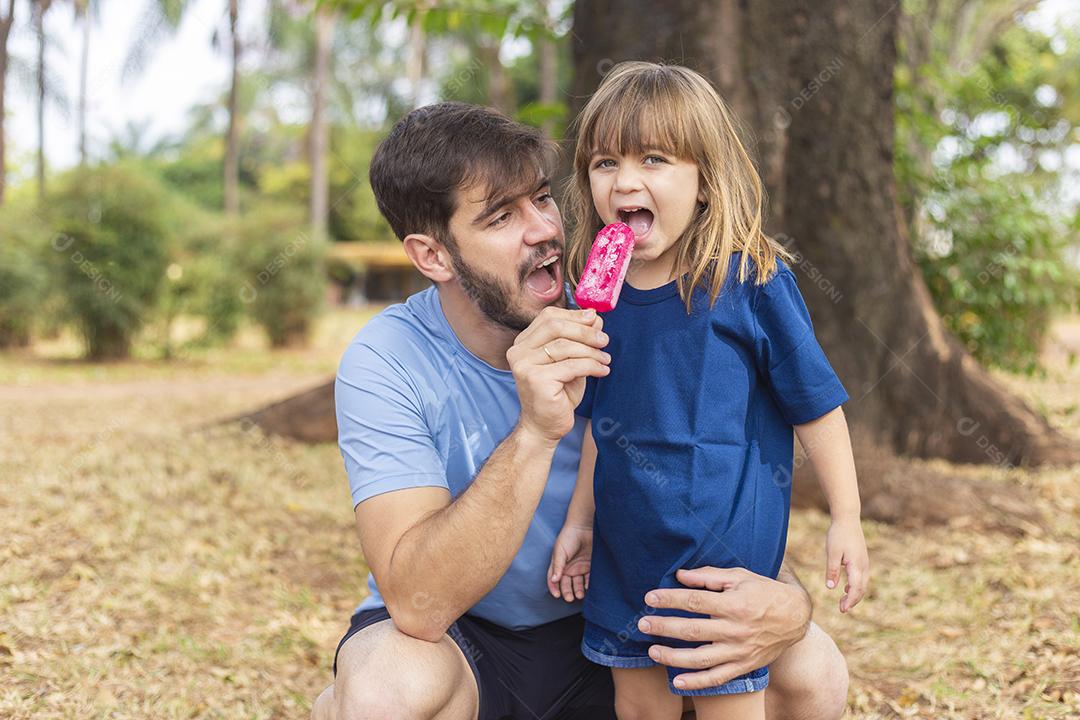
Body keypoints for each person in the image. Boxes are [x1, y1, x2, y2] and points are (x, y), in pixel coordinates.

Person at [310, 101, 850, 720]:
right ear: (433, 256)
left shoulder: (629, 310)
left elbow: (717, 488)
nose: (543, 230)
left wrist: (790, 603)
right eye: (500, 218)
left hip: (619, 622)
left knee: (811, 669)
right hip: (466, 641)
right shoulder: (388, 359)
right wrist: (537, 430)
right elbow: (418, 604)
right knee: (384, 689)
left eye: (541, 199)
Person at [546, 63, 870, 720]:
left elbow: (817, 407)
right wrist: (579, 522)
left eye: (655, 159)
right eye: (605, 163)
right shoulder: (594, 301)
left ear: (704, 182)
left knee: (727, 698)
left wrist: (847, 518)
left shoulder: (751, 280)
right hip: (623, 557)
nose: (625, 180)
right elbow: (598, 427)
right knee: (638, 705)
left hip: (722, 568)